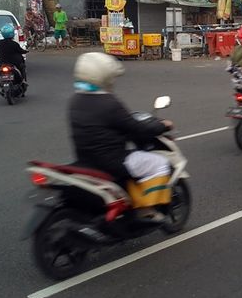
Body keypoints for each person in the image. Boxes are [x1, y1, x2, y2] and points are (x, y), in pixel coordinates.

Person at [69, 52, 174, 223]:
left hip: (86, 159)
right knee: (160, 163)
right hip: (113, 161)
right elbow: (136, 128)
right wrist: (162, 125)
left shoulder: (76, 100)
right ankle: (145, 209)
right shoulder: (108, 103)